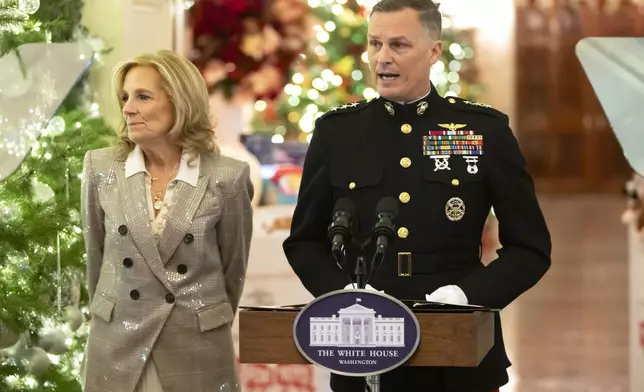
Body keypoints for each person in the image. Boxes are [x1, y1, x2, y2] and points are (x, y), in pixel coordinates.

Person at [282, 0, 551, 391]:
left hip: (459, 348)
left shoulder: (481, 131)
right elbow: (305, 241)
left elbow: (531, 248)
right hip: (365, 350)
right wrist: (343, 295)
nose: (382, 58)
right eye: (375, 44)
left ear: (434, 51)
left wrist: (466, 296)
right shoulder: (338, 134)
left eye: (399, 45)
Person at [80, 49, 253, 392]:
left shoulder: (228, 177)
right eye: (126, 97)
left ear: (181, 103)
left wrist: (197, 321)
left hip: (196, 350)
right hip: (116, 345)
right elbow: (95, 261)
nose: (128, 108)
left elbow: (233, 271)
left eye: (143, 97)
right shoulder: (100, 168)